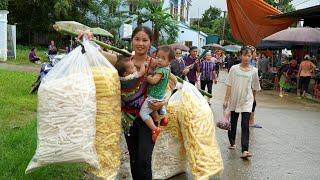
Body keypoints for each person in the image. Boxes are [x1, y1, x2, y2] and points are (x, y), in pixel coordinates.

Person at [100, 26, 175, 179]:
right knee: (134, 159)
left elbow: (172, 84)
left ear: (150, 42)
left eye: (145, 40)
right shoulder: (122, 60)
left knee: (144, 159)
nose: (140, 43)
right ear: (132, 40)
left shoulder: (157, 64)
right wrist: (86, 40)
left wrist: (163, 102)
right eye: (137, 39)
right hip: (128, 119)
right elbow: (98, 54)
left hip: (149, 118)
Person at [223, 46, 261, 158]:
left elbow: (254, 87)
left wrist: (253, 99)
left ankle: (245, 150)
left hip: (247, 100)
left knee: (245, 124)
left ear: (251, 57)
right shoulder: (234, 69)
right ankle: (232, 142)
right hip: (235, 98)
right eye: (244, 55)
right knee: (233, 122)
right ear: (240, 56)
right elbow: (229, 85)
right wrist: (226, 99)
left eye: (248, 55)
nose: (246, 58)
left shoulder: (254, 71)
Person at [138, 45, 174, 143]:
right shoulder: (167, 68)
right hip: (160, 95)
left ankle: (155, 129)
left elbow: (154, 81)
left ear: (169, 61)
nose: (159, 60)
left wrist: (147, 77)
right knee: (153, 111)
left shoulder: (161, 70)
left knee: (143, 113)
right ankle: (163, 116)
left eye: (163, 58)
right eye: (158, 57)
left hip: (154, 96)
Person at [248, 46, 262, 128]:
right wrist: (253, 95)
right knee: (252, 103)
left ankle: (251, 121)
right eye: (255, 53)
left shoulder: (253, 62)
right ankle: (251, 121)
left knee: (252, 104)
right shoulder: (250, 63)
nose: (256, 54)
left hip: (251, 88)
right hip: (249, 88)